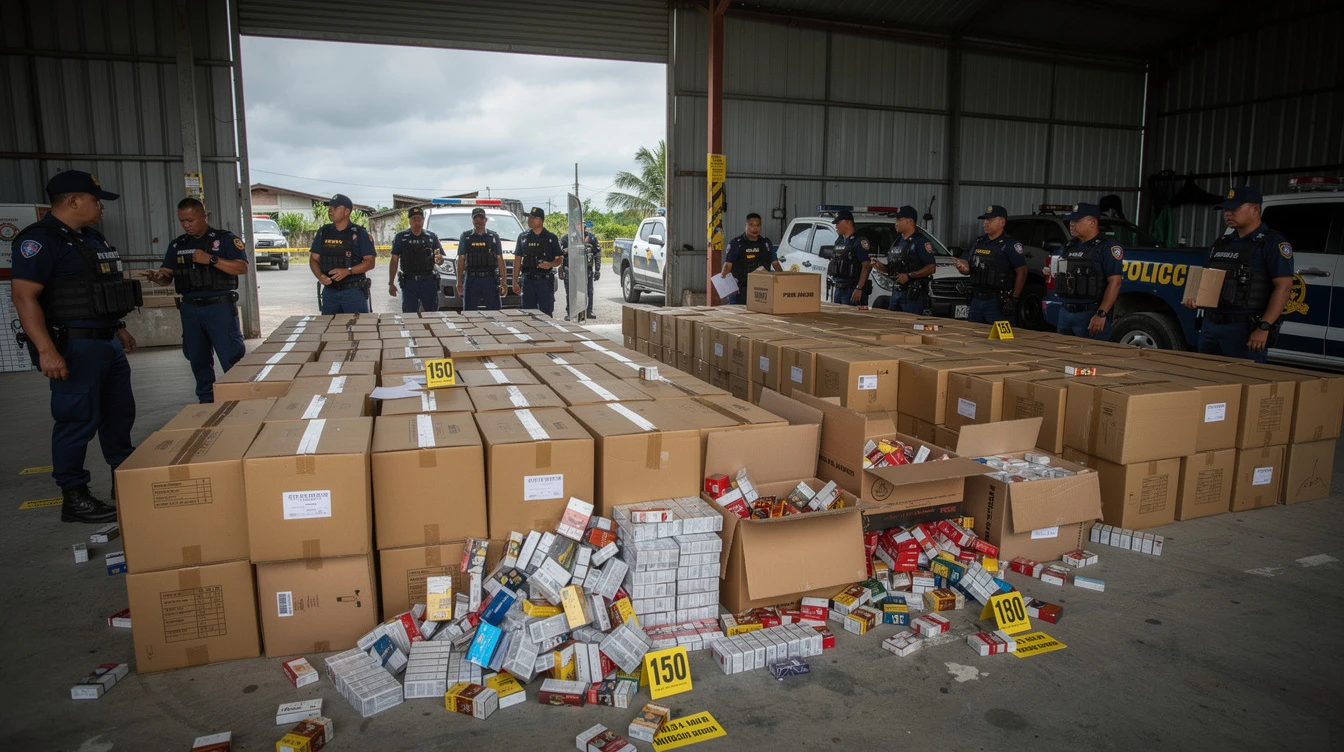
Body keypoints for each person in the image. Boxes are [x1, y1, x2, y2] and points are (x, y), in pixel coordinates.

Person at [10, 170, 139, 523]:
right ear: (73, 201)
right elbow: (23, 296)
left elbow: (101, 289)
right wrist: (46, 350)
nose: (101, 207)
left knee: (118, 415)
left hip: (106, 342)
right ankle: (75, 495)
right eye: (96, 200)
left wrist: (120, 327)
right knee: (76, 420)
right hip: (75, 347)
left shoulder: (91, 239)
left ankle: (124, 481)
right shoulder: (38, 241)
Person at [141, 198, 247, 403]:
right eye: (182, 221)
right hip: (190, 310)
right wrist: (157, 277)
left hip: (219, 308)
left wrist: (211, 259)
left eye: (190, 220)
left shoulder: (224, 240)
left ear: (204, 216)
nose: (186, 225)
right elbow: (166, 276)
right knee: (197, 359)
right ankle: (206, 401)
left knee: (231, 357)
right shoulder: (178, 245)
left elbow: (241, 268)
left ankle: (239, 401)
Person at [1182, 186, 1294, 362]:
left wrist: (1264, 327)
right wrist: (1194, 297)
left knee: (1243, 385)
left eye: (1235, 209)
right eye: (1226, 209)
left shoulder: (1272, 243)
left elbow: (1285, 287)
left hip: (1244, 328)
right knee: (1207, 380)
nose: (1228, 213)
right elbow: (1206, 277)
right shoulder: (1221, 243)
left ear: (1255, 209)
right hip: (1211, 326)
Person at [1053, 203, 1124, 338]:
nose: (1071, 225)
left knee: (1091, 357)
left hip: (1090, 313)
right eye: (1071, 221)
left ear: (1092, 223)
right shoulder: (1069, 246)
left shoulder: (1107, 247)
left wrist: (1101, 314)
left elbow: (1115, 282)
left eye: (1076, 221)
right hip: (1065, 312)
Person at [953, 205, 1027, 324]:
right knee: (974, 336)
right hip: (976, 299)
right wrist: (964, 269)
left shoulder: (1010, 245)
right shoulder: (979, 242)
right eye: (985, 220)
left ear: (1002, 222)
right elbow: (971, 268)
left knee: (1000, 340)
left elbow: (1022, 272)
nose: (985, 223)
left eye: (990, 220)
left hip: (997, 301)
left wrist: (1014, 298)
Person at [309, 194, 375, 314]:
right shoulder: (324, 232)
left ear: (346, 211)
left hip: (353, 292)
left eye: (335, 208)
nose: (330, 210)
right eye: (329, 208)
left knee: (358, 328)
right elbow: (313, 259)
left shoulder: (360, 233)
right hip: (330, 292)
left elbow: (370, 262)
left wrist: (347, 271)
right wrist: (320, 276)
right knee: (330, 329)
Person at [872, 206, 936, 314]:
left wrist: (909, 276)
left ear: (909, 221)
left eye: (898, 220)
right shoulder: (897, 242)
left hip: (913, 295)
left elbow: (931, 268)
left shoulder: (920, 242)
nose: (896, 223)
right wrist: (880, 266)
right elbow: (892, 269)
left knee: (910, 327)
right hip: (896, 292)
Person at [388, 206, 444, 313]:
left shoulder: (431, 237)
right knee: (409, 315)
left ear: (423, 220)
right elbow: (394, 261)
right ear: (409, 220)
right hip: (409, 282)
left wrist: (440, 259)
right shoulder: (401, 237)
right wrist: (391, 283)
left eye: (419, 219)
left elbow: (440, 258)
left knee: (431, 314)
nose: (417, 222)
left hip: (428, 281)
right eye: (414, 219)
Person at [718, 212, 781, 304]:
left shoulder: (765, 243)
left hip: (762, 289)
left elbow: (775, 264)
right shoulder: (736, 243)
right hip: (741, 289)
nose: (755, 228)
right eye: (751, 225)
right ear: (746, 225)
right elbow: (727, 266)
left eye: (758, 225)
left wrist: (781, 282)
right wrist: (728, 288)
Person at [513, 207, 564, 316]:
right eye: (529, 217)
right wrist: (514, 281)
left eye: (533, 218)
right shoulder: (523, 237)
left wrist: (550, 264)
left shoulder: (551, 238)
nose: (530, 220)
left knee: (546, 314)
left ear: (541, 220)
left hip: (544, 282)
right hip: (528, 281)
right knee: (528, 314)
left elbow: (559, 258)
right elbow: (517, 259)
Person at [456, 207, 506, 311]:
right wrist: (459, 282)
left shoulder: (493, 236)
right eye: (476, 218)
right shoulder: (466, 236)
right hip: (472, 279)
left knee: (494, 312)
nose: (478, 221)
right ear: (472, 220)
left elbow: (500, 259)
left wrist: (504, 282)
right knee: (469, 312)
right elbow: (461, 259)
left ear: (485, 220)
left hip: (490, 278)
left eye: (481, 218)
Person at [825, 210, 873, 306]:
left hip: (852, 289)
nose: (836, 226)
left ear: (848, 222)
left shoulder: (859, 241)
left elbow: (866, 266)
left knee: (851, 319)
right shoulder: (839, 241)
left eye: (838, 223)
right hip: (838, 288)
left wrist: (859, 288)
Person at [560, 222, 600, 320]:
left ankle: (589, 311)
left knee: (588, 291)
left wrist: (598, 269)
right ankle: (570, 312)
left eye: (582, 224)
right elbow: (560, 254)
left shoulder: (591, 237)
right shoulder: (566, 238)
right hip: (571, 268)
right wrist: (560, 269)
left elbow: (597, 253)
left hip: (587, 268)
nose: (580, 226)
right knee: (571, 291)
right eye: (578, 224)